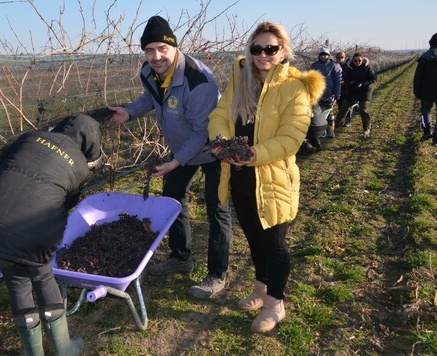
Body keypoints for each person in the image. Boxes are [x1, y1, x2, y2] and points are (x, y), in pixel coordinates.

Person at [208, 21, 324, 333]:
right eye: (257, 48)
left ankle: (276, 304)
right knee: (254, 239)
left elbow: (291, 138)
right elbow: (219, 115)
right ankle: (260, 289)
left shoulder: (295, 88)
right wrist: (223, 142)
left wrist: (253, 154)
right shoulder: (241, 80)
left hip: (272, 180)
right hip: (239, 176)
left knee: (274, 244)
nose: (263, 54)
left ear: (283, 51)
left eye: (271, 48)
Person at [108, 15, 233, 299]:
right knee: (172, 201)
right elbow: (151, 99)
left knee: (218, 210)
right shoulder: (149, 72)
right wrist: (129, 112)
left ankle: (217, 274)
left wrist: (175, 162)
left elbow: (202, 131)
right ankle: (181, 258)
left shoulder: (198, 79)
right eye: (149, 50)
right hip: (182, 148)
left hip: (213, 149)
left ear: (174, 47)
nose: (156, 56)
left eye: (162, 49)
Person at [0, 114, 103, 355]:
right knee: (42, 276)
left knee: (16, 280)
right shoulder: (80, 165)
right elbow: (65, 204)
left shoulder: (28, 138)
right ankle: (64, 349)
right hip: (32, 229)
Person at [334, 52, 377, 138]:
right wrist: (351, 83)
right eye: (355, 61)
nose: (357, 62)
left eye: (359, 60)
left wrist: (363, 83)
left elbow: (373, 79)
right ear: (353, 61)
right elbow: (346, 80)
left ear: (362, 60)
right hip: (353, 90)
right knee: (344, 107)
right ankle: (336, 126)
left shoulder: (367, 67)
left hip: (365, 91)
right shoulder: (350, 68)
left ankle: (366, 129)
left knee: (363, 109)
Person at [413, 31, 437, 146]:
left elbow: (418, 76)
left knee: (426, 111)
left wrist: (417, 91)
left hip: (427, 91)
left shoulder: (424, 57)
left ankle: (427, 131)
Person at [311, 46, 342, 139]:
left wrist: (337, 93)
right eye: (322, 55)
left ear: (328, 55)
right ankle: (321, 132)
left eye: (325, 55)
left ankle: (330, 131)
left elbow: (338, 80)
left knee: (329, 113)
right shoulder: (314, 65)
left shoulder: (334, 65)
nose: (323, 56)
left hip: (330, 94)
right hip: (318, 94)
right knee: (319, 114)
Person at [335, 51, 355, 127]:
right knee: (340, 105)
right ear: (336, 58)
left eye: (342, 57)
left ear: (344, 58)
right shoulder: (335, 66)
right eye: (338, 57)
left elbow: (351, 77)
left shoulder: (347, 67)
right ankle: (342, 120)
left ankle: (348, 120)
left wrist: (345, 82)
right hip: (338, 89)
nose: (340, 59)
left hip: (346, 89)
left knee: (347, 105)